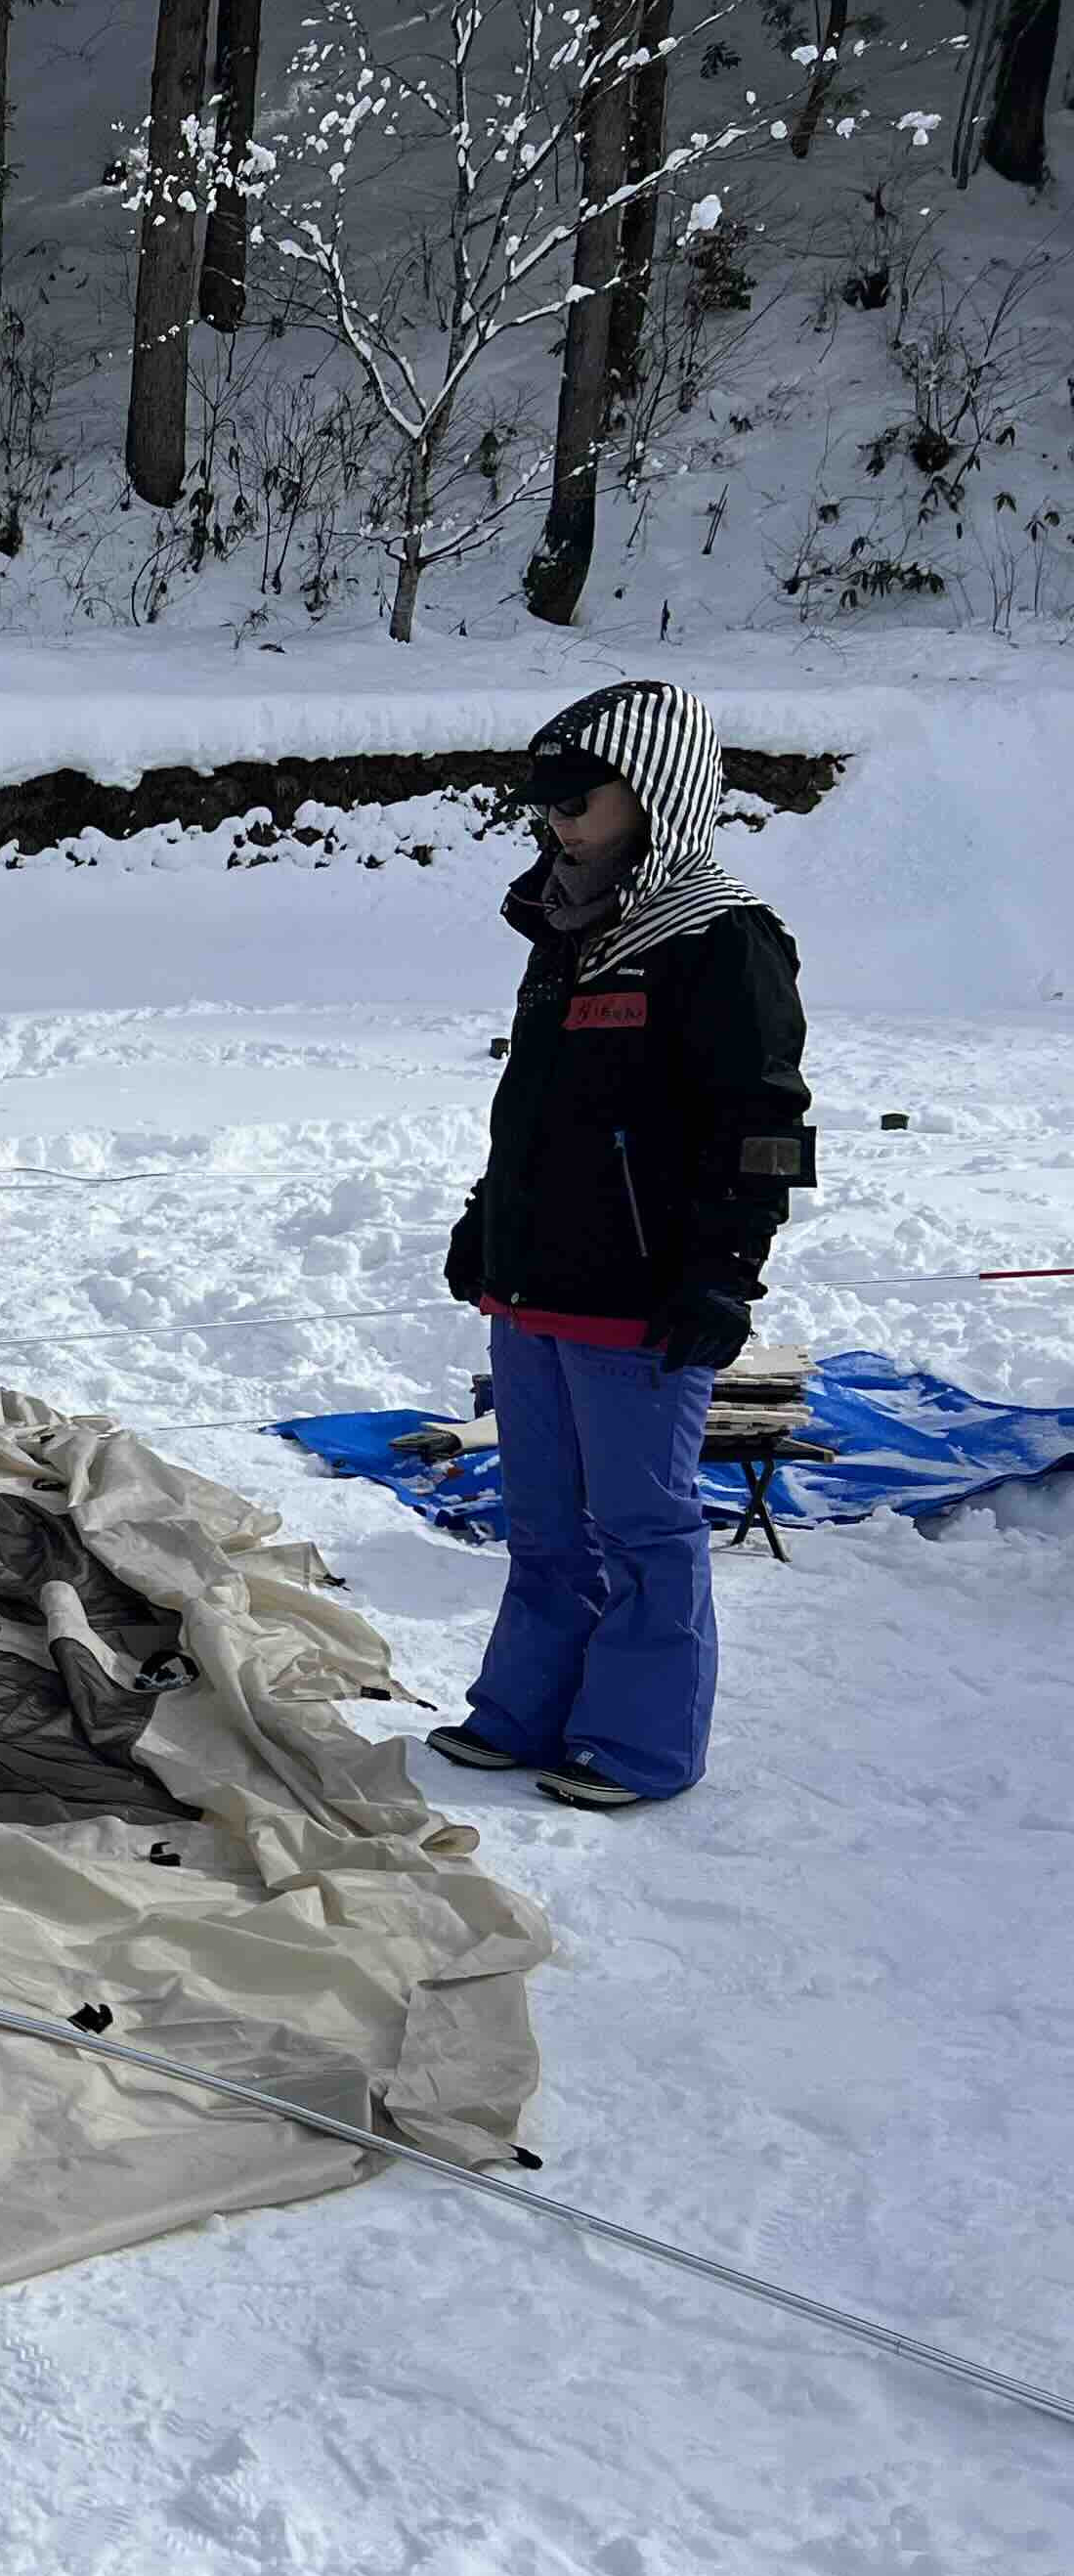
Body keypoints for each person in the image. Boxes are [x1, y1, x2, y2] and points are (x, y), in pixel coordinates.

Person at [430, 682, 812, 1812]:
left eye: (576, 798)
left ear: (657, 791)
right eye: (542, 801)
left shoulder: (720, 936)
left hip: (641, 1296)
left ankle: (640, 1745)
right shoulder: (567, 924)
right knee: (544, 1521)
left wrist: (723, 1272)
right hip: (534, 1281)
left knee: (644, 1527)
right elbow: (538, 1103)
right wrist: (484, 1215)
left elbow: (765, 1124)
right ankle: (524, 1713)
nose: (554, 821)